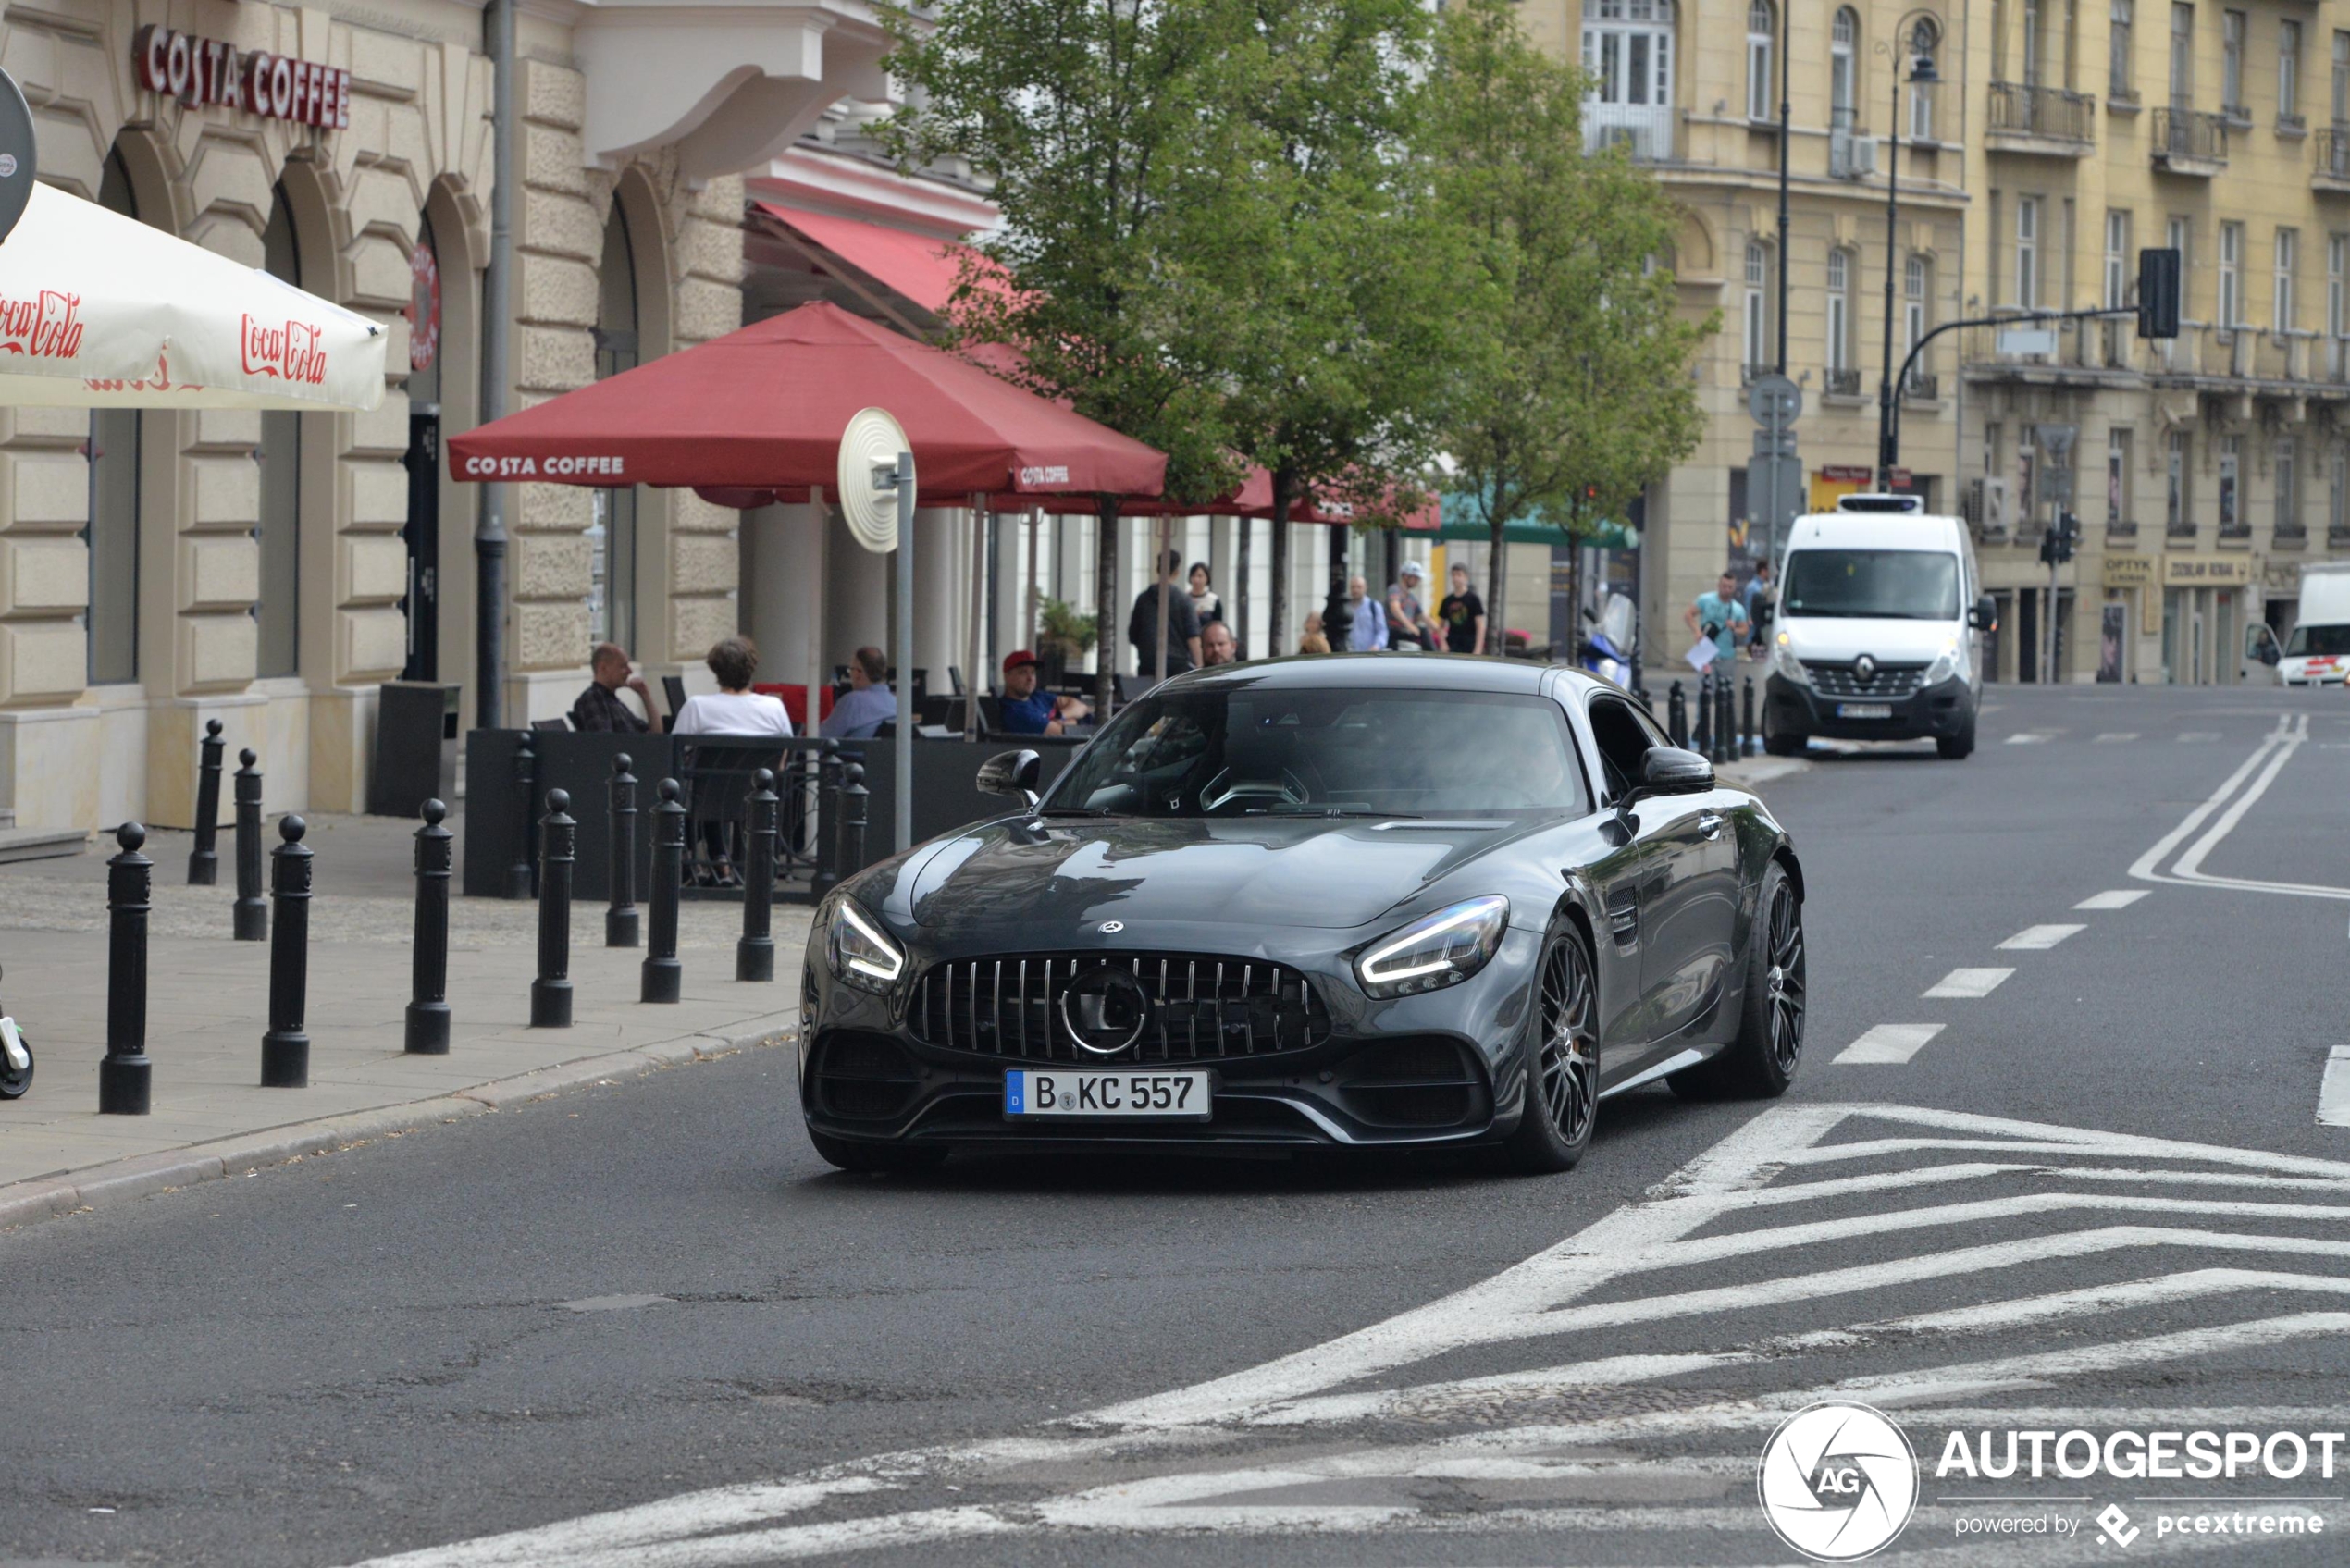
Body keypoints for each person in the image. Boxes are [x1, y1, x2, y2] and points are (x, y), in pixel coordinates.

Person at [673, 636, 794, 735]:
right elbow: (783, 757)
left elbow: (675, 754)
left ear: (715, 669)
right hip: (758, 766)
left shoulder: (697, 707)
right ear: (752, 667)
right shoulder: (774, 707)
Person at [1129, 547, 1202, 679]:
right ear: (1176, 572)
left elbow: (1133, 635)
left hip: (1148, 663)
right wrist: (1200, 665)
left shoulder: (1143, 599)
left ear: (1158, 569)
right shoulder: (1184, 600)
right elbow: (1193, 637)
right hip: (1177, 666)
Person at [996, 649, 1091, 735]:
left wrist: (1061, 716)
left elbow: (1082, 707)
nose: (1030, 678)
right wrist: (1075, 720)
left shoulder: (1037, 696)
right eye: (1023, 672)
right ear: (1007, 677)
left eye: (1033, 673)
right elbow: (1063, 732)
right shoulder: (1013, 712)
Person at [570, 642, 652, 733]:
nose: (630, 671)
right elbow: (606, 743)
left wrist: (645, 696)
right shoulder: (593, 699)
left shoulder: (614, 701)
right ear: (603, 668)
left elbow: (656, 736)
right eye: (623, 666)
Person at [821, 646, 896, 739]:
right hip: (881, 753)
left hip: (849, 753)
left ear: (858, 673)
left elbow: (821, 740)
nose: (850, 674)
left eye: (851, 669)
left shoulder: (852, 701)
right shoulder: (896, 703)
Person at [1685, 571, 1750, 672]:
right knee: (1705, 684)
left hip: (1727, 654)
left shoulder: (1738, 608)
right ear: (1718, 585)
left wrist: (1734, 629)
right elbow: (1688, 615)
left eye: (1730, 587)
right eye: (1724, 586)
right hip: (1706, 651)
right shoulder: (1705, 600)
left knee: (1725, 685)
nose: (1727, 590)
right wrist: (1697, 631)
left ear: (1734, 588)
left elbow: (1745, 631)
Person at [1438, 563, 1487, 655]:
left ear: (1466, 577)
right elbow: (1440, 626)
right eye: (1453, 575)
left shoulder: (1473, 599)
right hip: (1453, 644)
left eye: (1459, 575)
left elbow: (1480, 626)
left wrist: (1478, 649)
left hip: (1469, 644)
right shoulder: (1447, 601)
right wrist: (1443, 643)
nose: (1456, 578)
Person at [1386, 564, 1436, 650]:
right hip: (1393, 631)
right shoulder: (1395, 590)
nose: (1417, 581)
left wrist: (1438, 630)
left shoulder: (1412, 597)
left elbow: (1423, 616)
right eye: (1415, 578)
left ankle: (1432, 654)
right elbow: (1395, 609)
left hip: (1405, 632)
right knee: (1422, 630)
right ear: (1406, 576)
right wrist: (1410, 626)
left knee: (1423, 630)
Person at [1743, 560, 1775, 658]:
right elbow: (1750, 611)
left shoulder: (1766, 586)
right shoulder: (1753, 588)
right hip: (1755, 635)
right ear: (1763, 571)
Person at [1347, 575, 1388, 651]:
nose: (1356, 590)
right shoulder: (1346, 607)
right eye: (1353, 587)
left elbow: (1382, 630)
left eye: (1359, 587)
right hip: (1350, 654)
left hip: (1369, 655)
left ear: (1365, 588)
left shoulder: (1374, 606)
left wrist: (1377, 646)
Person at [1187, 562, 1225, 627]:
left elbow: (1218, 624)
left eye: (1200, 576)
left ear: (1207, 578)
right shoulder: (1184, 598)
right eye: (1193, 576)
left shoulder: (1214, 600)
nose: (1196, 580)